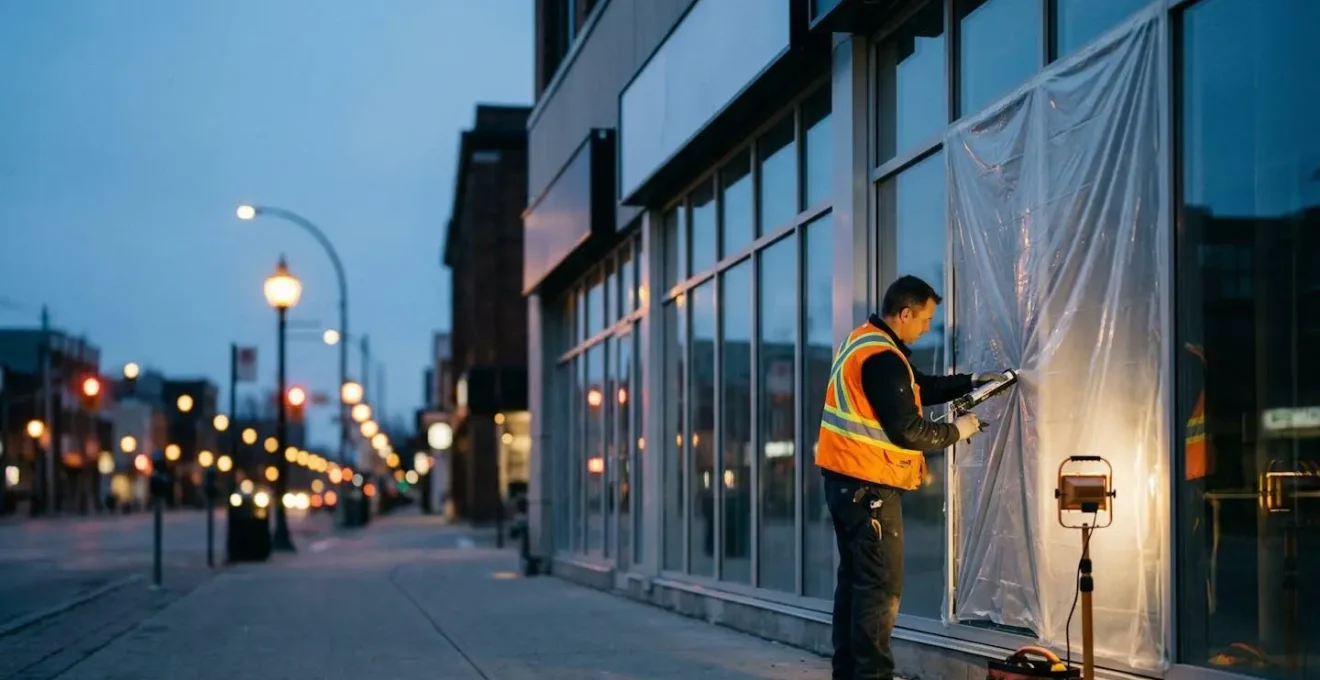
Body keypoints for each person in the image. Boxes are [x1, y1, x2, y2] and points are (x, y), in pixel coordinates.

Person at [815, 275, 1001, 680]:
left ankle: (849, 675)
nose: (926, 327)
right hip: (869, 491)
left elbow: (918, 386)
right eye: (925, 319)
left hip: (849, 485)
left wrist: (971, 382)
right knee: (879, 591)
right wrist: (959, 431)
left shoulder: (867, 343)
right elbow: (908, 429)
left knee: (856, 587)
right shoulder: (881, 358)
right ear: (904, 314)